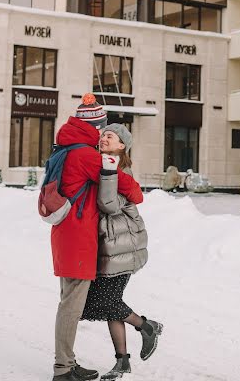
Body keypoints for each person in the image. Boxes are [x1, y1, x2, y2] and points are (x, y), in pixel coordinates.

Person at [51, 96, 144, 381]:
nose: (102, 136)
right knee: (72, 306)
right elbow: (132, 194)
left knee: (71, 301)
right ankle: (64, 368)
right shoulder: (87, 155)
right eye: (101, 130)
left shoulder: (64, 149)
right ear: (94, 126)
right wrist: (114, 170)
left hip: (65, 234)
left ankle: (67, 364)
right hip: (80, 236)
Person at [81, 124, 163, 380]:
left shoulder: (119, 171)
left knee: (106, 302)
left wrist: (107, 171)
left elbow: (108, 205)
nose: (104, 137)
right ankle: (123, 360)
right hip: (110, 248)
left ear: (121, 146)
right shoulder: (102, 166)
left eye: (111, 136)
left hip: (123, 248)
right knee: (108, 305)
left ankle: (147, 327)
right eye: (103, 134)